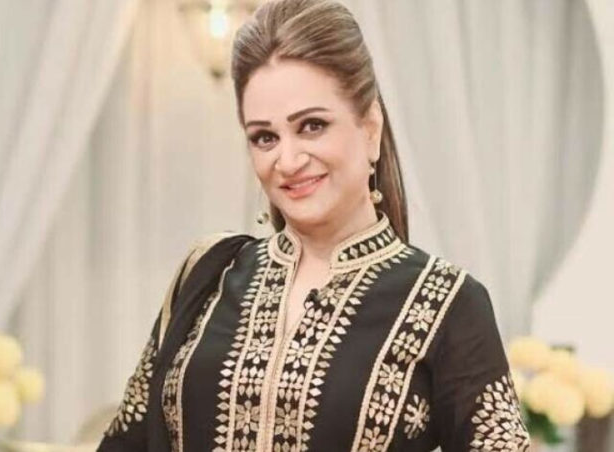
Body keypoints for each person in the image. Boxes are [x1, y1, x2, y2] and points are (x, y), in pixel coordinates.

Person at [97, 0, 531, 450]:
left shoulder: (445, 302)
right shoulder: (207, 273)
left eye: (311, 126)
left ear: (370, 128)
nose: (287, 160)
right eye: (265, 137)